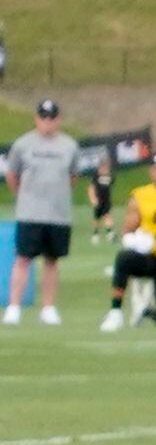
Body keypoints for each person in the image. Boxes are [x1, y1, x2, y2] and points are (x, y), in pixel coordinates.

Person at [5, 99, 79, 325]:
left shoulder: (69, 146)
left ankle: (48, 307)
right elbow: (12, 175)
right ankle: (14, 307)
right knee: (23, 258)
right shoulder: (23, 144)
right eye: (43, 117)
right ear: (37, 119)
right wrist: (25, 197)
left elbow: (73, 177)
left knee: (52, 260)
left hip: (58, 214)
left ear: (58, 120)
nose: (48, 122)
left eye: (52, 118)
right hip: (30, 212)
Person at [104, 143, 156, 330]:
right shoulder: (141, 195)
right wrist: (135, 241)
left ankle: (148, 312)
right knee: (124, 259)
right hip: (150, 257)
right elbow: (127, 231)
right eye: (155, 168)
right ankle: (115, 311)